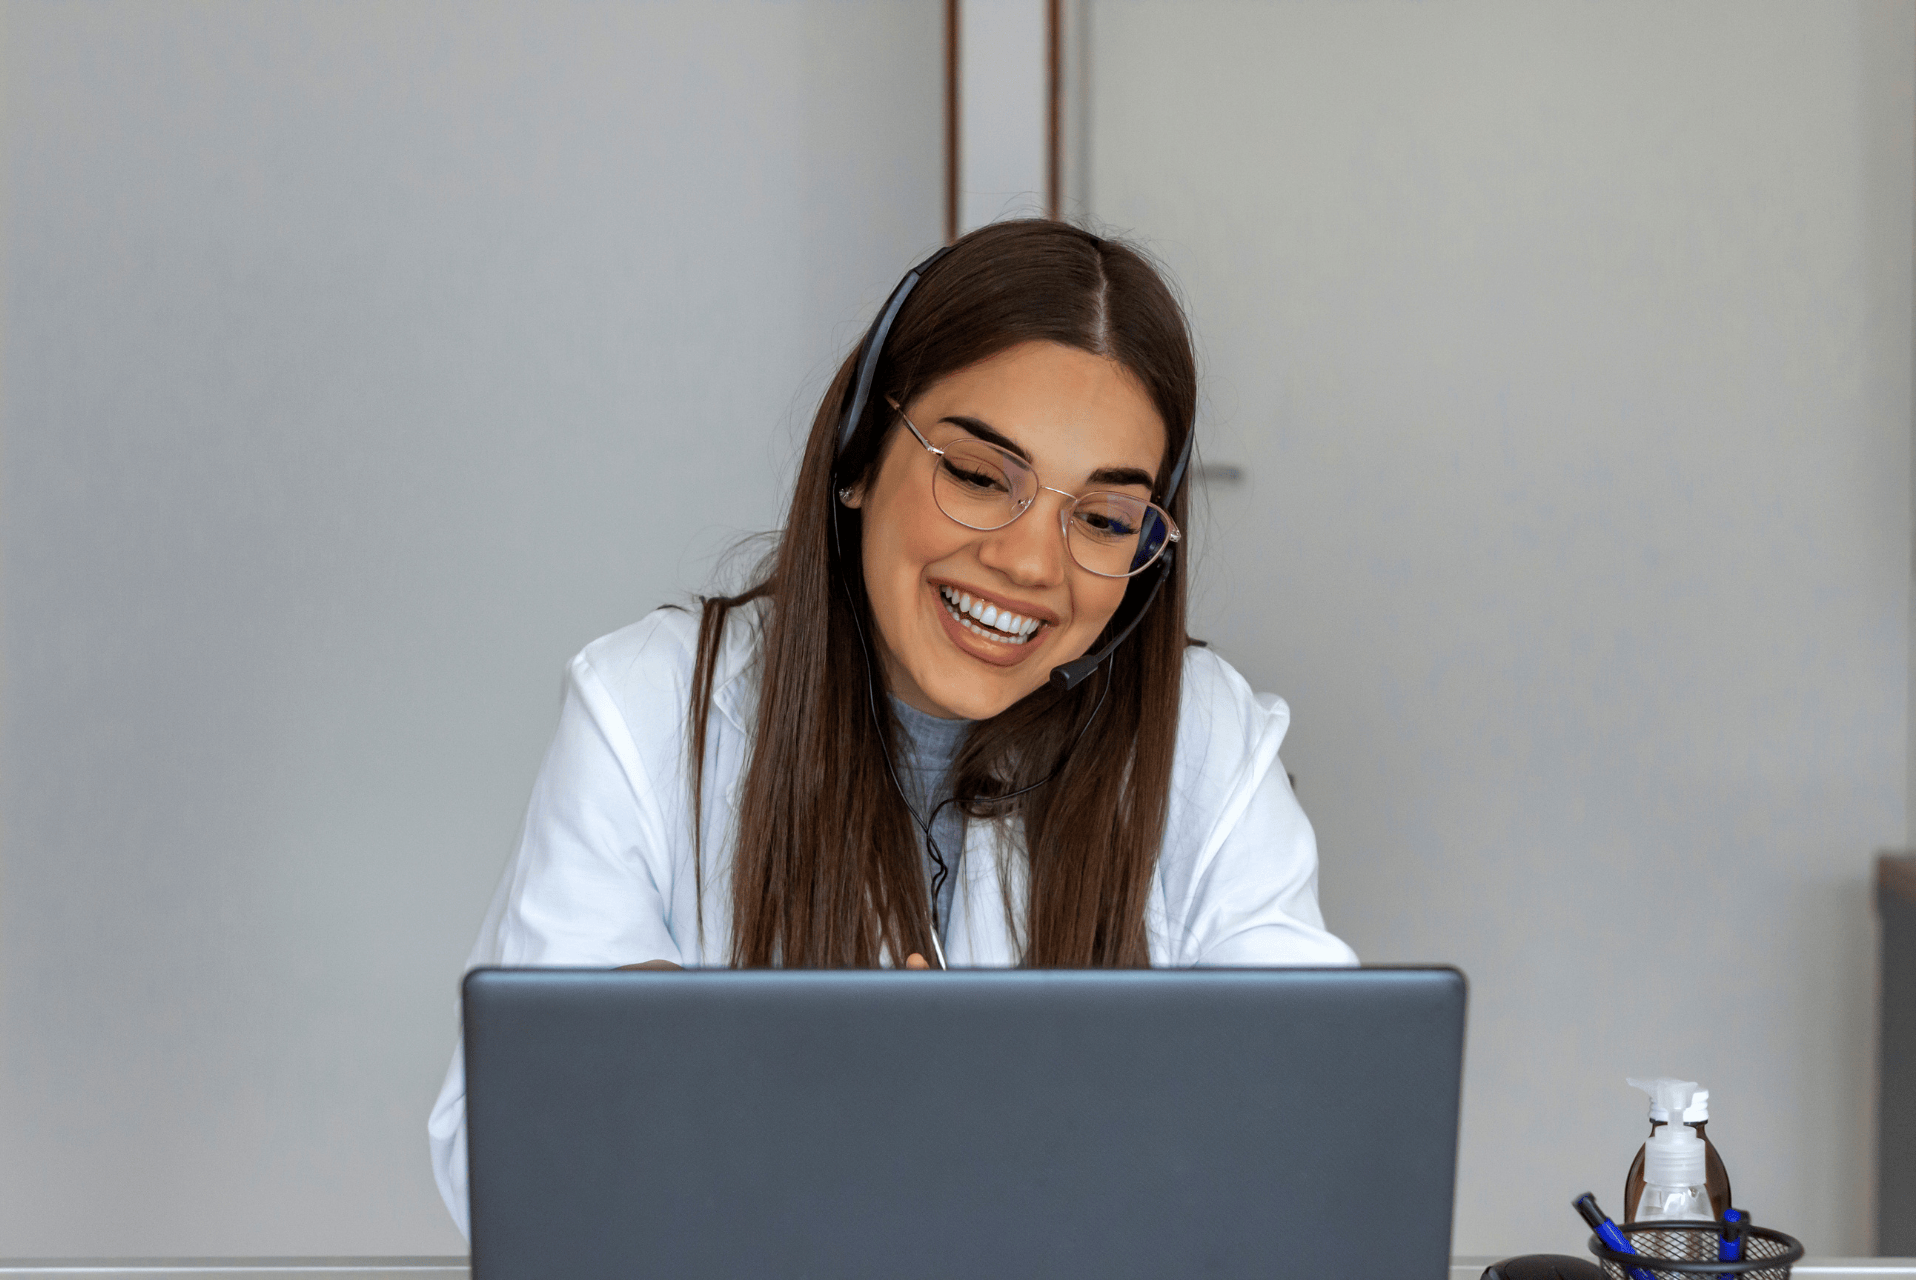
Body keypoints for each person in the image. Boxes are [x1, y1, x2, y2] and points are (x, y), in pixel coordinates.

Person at [428, 220, 1355, 1236]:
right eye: (978, 475)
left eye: (1101, 518)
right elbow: (511, 1166)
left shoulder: (1203, 735)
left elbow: (1313, 1138)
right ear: (862, 453)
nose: (1033, 565)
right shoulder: (648, 705)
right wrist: (714, 1069)